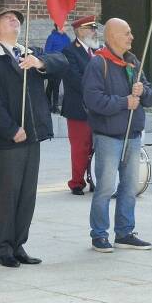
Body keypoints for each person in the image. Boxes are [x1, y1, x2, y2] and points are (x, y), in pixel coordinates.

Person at [0, 9, 67, 267]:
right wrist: (11, 129)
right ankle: (3, 248)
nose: (15, 20)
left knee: (28, 194)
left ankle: (18, 244)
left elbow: (63, 62)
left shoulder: (30, 52)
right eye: (8, 19)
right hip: (10, 139)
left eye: (17, 19)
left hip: (33, 135)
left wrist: (39, 63)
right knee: (9, 193)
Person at [82, 18, 152, 253]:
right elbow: (93, 100)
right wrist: (124, 102)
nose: (131, 37)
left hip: (132, 134)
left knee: (129, 187)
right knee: (105, 188)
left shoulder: (133, 62)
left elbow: (151, 97)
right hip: (108, 136)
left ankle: (124, 232)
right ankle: (99, 234)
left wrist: (143, 91)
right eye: (127, 33)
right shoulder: (98, 64)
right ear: (112, 36)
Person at [60, 15, 97, 195]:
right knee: (80, 147)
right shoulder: (69, 51)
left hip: (97, 109)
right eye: (90, 28)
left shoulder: (97, 51)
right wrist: (97, 90)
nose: (94, 32)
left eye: (94, 28)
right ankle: (76, 182)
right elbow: (75, 79)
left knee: (96, 146)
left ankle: (93, 178)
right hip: (78, 109)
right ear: (79, 31)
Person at [44, 22, 70, 112]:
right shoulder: (51, 37)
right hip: (53, 64)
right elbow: (47, 51)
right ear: (59, 26)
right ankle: (48, 105)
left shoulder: (67, 38)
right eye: (65, 25)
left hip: (61, 66)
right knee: (51, 86)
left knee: (56, 86)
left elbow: (69, 51)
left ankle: (54, 106)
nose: (67, 27)